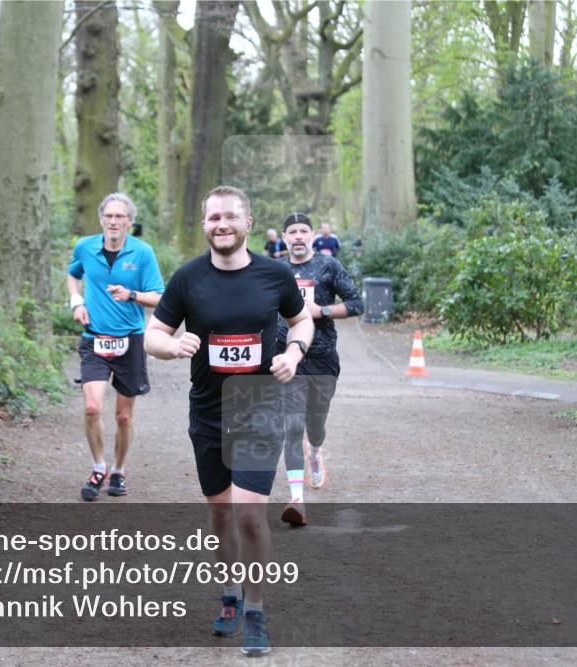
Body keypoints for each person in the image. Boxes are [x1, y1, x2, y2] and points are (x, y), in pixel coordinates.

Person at [145, 185, 314, 656]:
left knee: (248, 510)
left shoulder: (275, 275)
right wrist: (172, 346)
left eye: (231, 217)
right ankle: (230, 596)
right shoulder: (187, 280)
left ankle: (256, 611)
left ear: (248, 224)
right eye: (213, 217)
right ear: (204, 224)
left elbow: (302, 321)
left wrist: (294, 351)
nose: (222, 224)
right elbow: (152, 334)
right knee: (220, 512)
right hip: (208, 412)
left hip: (259, 406)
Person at [67, 193, 165, 501]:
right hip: (94, 338)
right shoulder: (85, 246)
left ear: (129, 222)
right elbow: (73, 275)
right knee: (92, 407)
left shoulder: (143, 253)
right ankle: (99, 467)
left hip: (130, 341)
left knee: (124, 416)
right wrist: (76, 301)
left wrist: (132, 295)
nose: (113, 221)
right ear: (101, 220)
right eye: (108, 216)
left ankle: (119, 471)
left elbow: (159, 297)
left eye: (120, 216)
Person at [278, 212, 363, 527]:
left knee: (315, 423)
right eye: (292, 232)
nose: (298, 237)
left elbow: (356, 303)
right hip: (288, 357)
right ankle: (296, 499)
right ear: (285, 237)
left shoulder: (329, 266)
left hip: (323, 357)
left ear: (312, 235)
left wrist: (321, 311)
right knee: (292, 424)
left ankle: (315, 450)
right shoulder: (275, 269)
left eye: (303, 231)